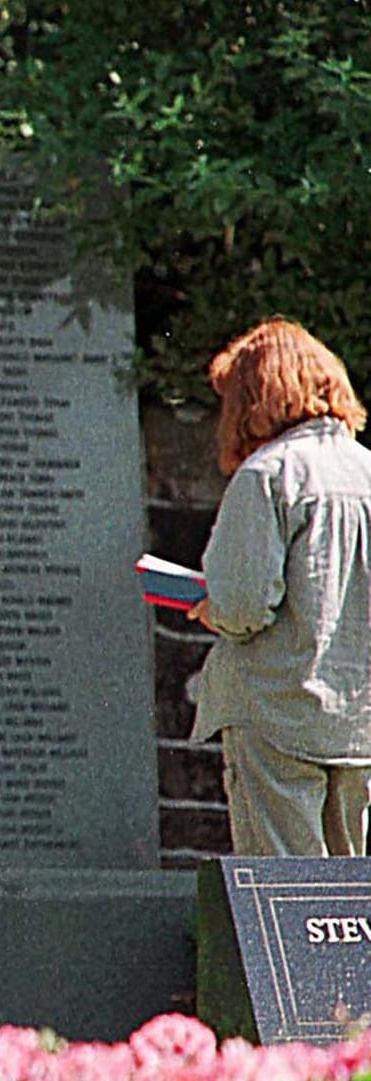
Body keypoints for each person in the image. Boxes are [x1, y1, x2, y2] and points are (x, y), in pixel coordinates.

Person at [189, 316, 371, 856]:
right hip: (360, 723)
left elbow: (243, 604)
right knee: (355, 902)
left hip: (275, 716)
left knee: (286, 901)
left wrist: (207, 607)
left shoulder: (268, 473)